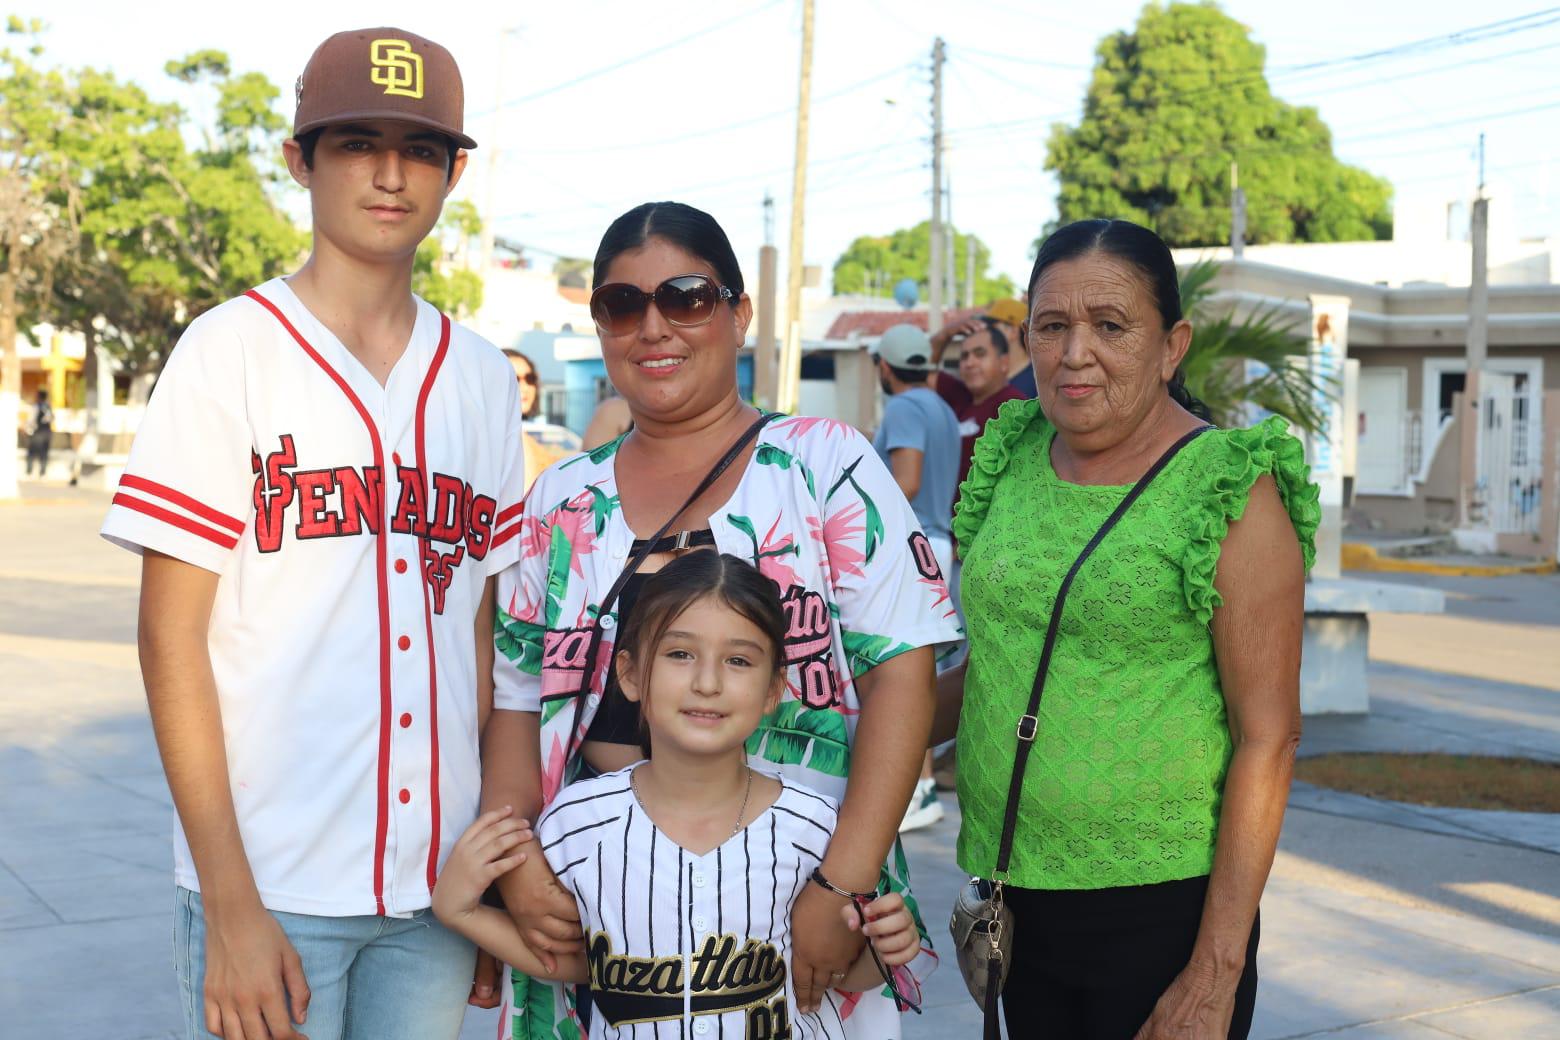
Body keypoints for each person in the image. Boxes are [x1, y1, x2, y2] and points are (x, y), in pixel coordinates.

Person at [99, 28, 524, 1040]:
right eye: (355, 142)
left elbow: (483, 635)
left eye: (420, 148)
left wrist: (489, 870)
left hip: (436, 889)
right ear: (301, 159)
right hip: (271, 882)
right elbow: (171, 639)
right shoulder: (228, 350)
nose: (389, 173)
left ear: (454, 172)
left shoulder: (476, 376)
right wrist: (230, 901)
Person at [485, 200, 960, 1040]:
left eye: (688, 297)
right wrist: (519, 867)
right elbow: (519, 701)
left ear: (738, 313)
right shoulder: (562, 498)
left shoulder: (823, 468)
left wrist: (839, 886)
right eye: (621, 305)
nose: (654, 325)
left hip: (800, 896)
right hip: (602, 905)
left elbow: (902, 678)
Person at [933, 218, 1318, 1038]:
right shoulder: (1010, 455)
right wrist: (842, 722)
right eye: (1052, 326)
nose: (1075, 353)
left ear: (1171, 345)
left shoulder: (1227, 487)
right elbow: (999, 665)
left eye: (1110, 326)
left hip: (1162, 914)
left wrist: (1215, 975)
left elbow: (1269, 737)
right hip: (1014, 894)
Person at [437, 552, 924, 1037]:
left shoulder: (813, 826)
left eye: (737, 660)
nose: (706, 683)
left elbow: (830, 975)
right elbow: (581, 965)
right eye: (679, 654)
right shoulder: (578, 822)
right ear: (629, 674)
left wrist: (882, 951)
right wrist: (461, 911)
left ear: (775, 687)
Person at [869, 323, 961, 833]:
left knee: (902, 672)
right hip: (936, 544)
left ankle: (917, 790)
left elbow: (906, 480)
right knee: (917, 670)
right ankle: (918, 789)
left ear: (884, 367)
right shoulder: (939, 406)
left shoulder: (904, 407)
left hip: (914, 546)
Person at [926, 316, 1027, 497]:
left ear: (1004, 363)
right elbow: (922, 374)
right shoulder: (960, 396)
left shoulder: (1014, 407)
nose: (970, 363)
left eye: (980, 354)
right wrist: (944, 336)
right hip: (951, 521)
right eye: (964, 356)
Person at [504, 348, 572, 492]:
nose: (524, 387)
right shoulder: (500, 439)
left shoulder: (524, 440)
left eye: (530, 378)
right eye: (513, 378)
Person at [984, 298, 1036, 397]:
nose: (985, 332)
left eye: (991, 327)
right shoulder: (989, 377)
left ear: (1013, 331)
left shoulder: (1039, 382)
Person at [26, 388, 53, 476]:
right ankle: (42, 471)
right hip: (47, 433)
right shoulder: (48, 407)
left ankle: (29, 471)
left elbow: (31, 419)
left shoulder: (37, 406)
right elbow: (51, 418)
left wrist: (28, 429)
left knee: (32, 452)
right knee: (44, 452)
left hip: (38, 432)